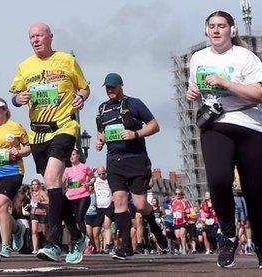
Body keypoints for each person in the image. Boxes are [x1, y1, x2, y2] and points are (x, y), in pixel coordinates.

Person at [186, 10, 262, 268]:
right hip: (216, 124)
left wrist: (226, 83)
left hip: (250, 125)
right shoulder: (198, 58)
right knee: (219, 182)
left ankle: (261, 246)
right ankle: (228, 236)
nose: (216, 31)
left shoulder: (245, 57)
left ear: (231, 30)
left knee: (254, 191)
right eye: (211, 26)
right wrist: (191, 93)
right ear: (206, 30)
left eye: (221, 26)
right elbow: (195, 87)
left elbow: (259, 94)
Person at [10, 23, 89, 263]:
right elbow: (15, 95)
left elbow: (84, 88)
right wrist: (18, 98)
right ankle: (76, 234)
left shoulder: (66, 60)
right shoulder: (25, 66)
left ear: (50, 37)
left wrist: (80, 98)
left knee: (53, 178)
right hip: (37, 134)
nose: (35, 40)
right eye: (31, 37)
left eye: (39, 35)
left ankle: (53, 243)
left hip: (64, 127)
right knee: (53, 187)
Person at [92, 72, 169, 259]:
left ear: (121, 86)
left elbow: (154, 126)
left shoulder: (135, 103)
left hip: (136, 159)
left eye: (113, 86)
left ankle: (155, 227)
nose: (110, 90)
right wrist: (99, 141)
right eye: (107, 87)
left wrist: (135, 134)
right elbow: (100, 131)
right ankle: (126, 246)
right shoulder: (103, 108)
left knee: (140, 204)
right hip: (114, 161)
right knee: (119, 200)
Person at [0, 98, 29, 259]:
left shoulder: (15, 127)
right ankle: (18, 230)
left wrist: (19, 153)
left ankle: (6, 246)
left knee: (2, 206)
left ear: (5, 110)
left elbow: (28, 147)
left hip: (13, 171)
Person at [64, 149, 93, 250]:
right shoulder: (67, 169)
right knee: (75, 218)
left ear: (78, 156)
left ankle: (84, 239)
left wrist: (89, 183)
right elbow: (63, 181)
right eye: (70, 155)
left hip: (83, 195)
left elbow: (93, 177)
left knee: (80, 216)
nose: (71, 157)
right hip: (72, 196)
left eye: (73, 154)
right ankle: (77, 237)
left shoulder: (84, 167)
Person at [28, 179, 49, 253]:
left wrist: (40, 202)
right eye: (33, 184)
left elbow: (48, 201)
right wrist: (28, 206)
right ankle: (35, 248)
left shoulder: (42, 192)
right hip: (33, 213)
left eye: (36, 184)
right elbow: (31, 203)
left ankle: (48, 245)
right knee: (34, 231)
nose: (34, 186)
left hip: (42, 213)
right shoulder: (31, 193)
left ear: (39, 185)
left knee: (44, 232)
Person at [170, 189, 192, 254]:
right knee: (177, 236)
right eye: (176, 194)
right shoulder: (173, 201)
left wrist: (182, 211)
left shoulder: (185, 201)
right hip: (176, 221)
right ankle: (180, 246)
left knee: (182, 235)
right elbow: (171, 210)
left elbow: (189, 211)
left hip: (183, 221)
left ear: (181, 194)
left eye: (179, 194)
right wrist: (172, 212)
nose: (177, 195)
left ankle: (184, 250)